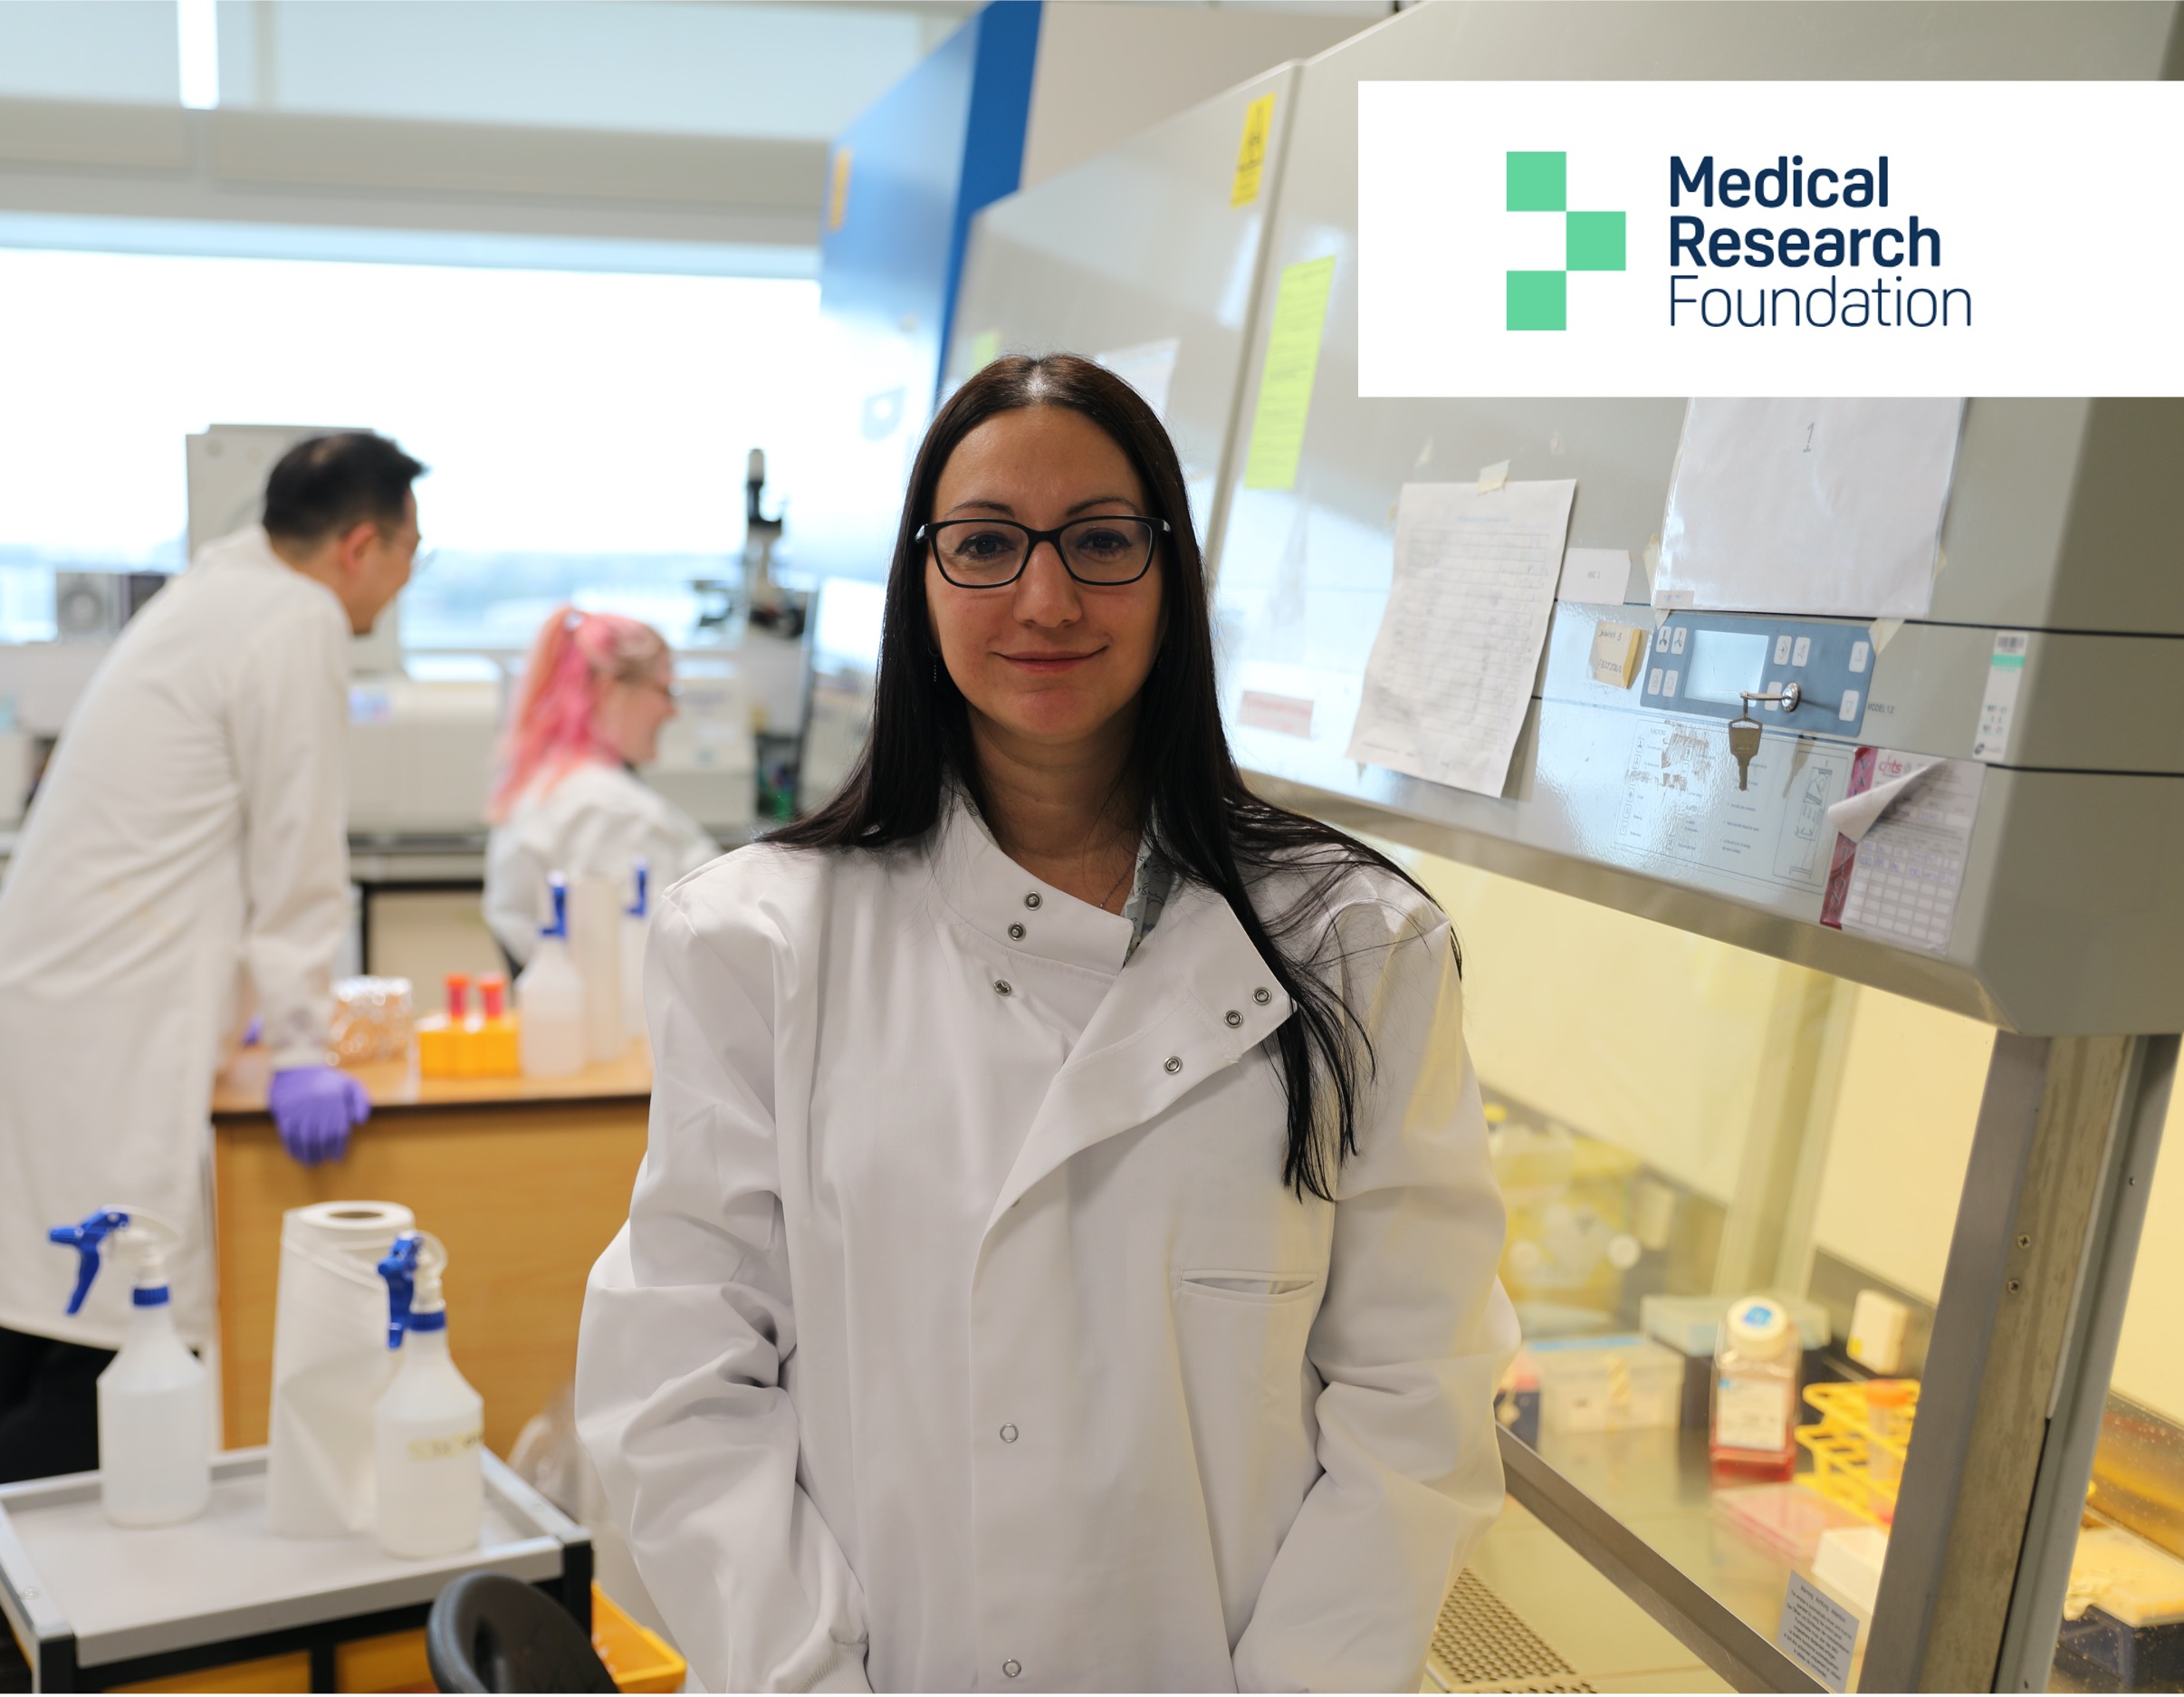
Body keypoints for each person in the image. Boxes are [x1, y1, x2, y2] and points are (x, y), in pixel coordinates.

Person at [576, 355, 1517, 1692]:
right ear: (924, 578)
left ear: (1169, 572)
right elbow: (681, 1372)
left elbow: (1418, 1390)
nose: (1046, 596)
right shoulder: (762, 938)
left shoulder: (1355, 943)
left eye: (1100, 541)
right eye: (986, 544)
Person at [0, 432, 426, 1693]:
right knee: (111, 1361)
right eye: (408, 556)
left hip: (41, 1023)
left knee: (41, 1344)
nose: (402, 585)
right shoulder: (297, 621)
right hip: (99, 1044)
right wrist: (304, 1038)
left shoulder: (209, 597)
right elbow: (297, 858)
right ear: (358, 544)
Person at [482, 607, 718, 972]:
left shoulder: (559, 786)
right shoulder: (603, 810)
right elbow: (645, 967)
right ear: (611, 692)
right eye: (665, 691)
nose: (673, 712)